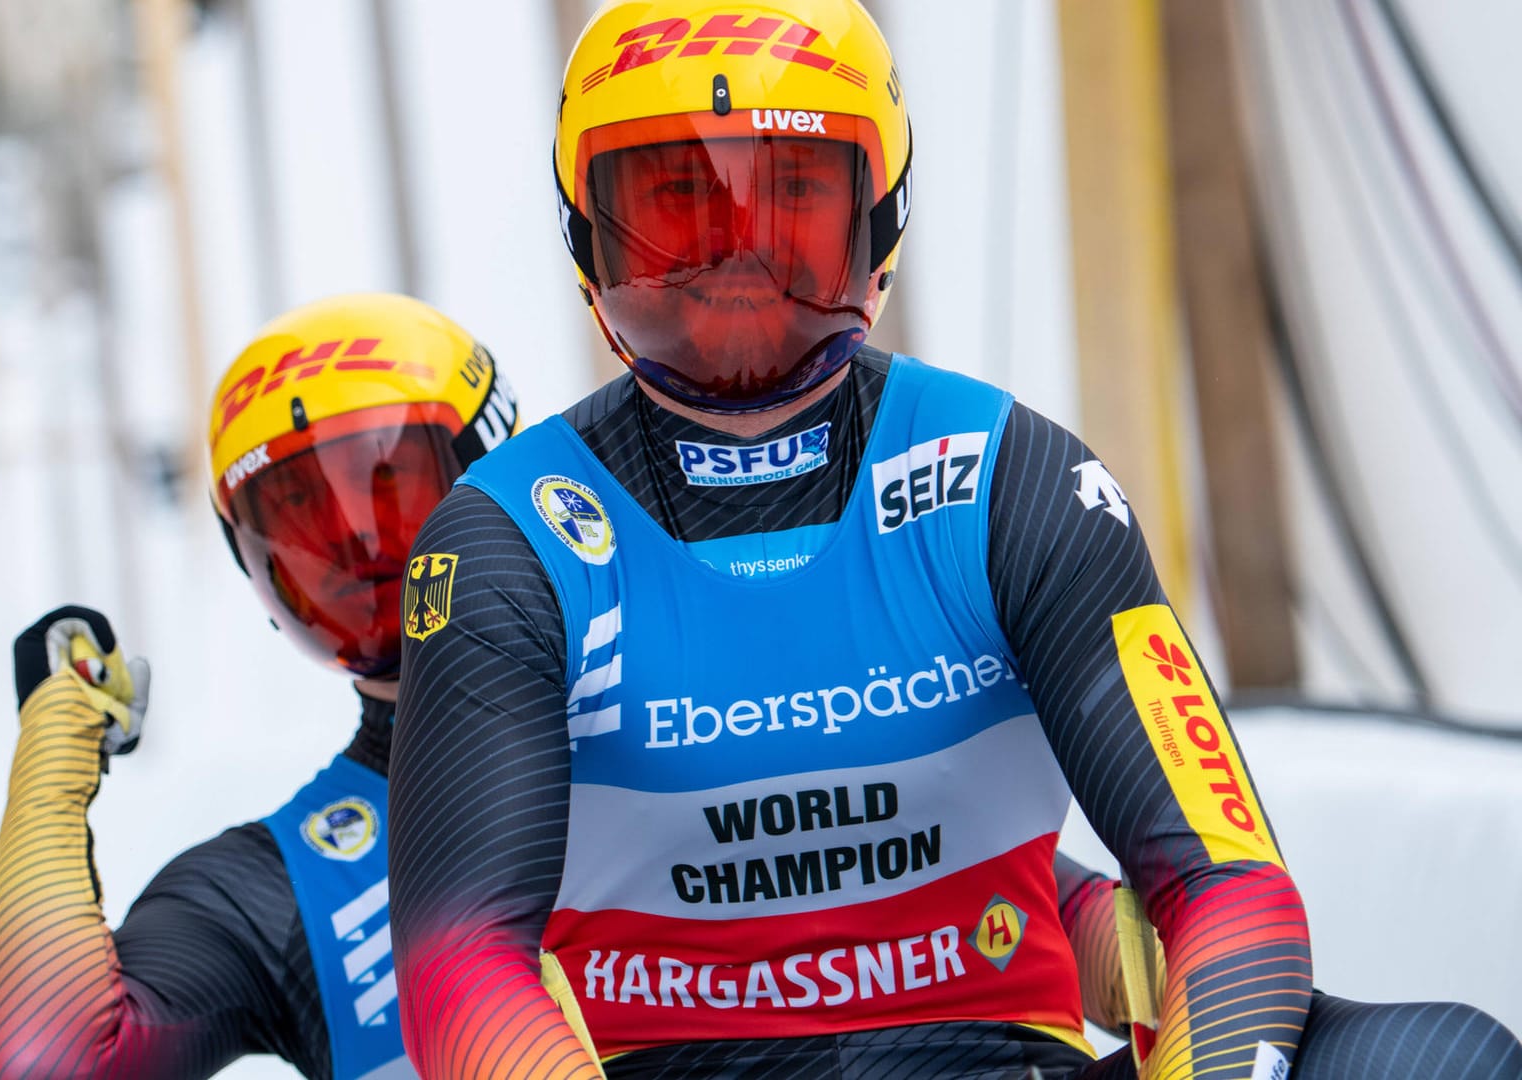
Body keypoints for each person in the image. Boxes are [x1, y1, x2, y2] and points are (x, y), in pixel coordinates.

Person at [385, 3, 1522, 1077]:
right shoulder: (498, 545)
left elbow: (1231, 887)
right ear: (590, 241)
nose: (736, 272)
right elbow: (460, 963)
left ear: (877, 222)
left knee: (1437, 1056)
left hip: (1000, 1055)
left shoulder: (1017, 481)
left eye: (787, 212)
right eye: (682, 215)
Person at [0, 293, 520, 1080]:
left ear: (489, 475)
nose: (357, 547)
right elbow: (52, 1066)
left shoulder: (676, 696)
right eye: (300, 512)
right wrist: (48, 783)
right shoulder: (279, 885)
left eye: (387, 486)